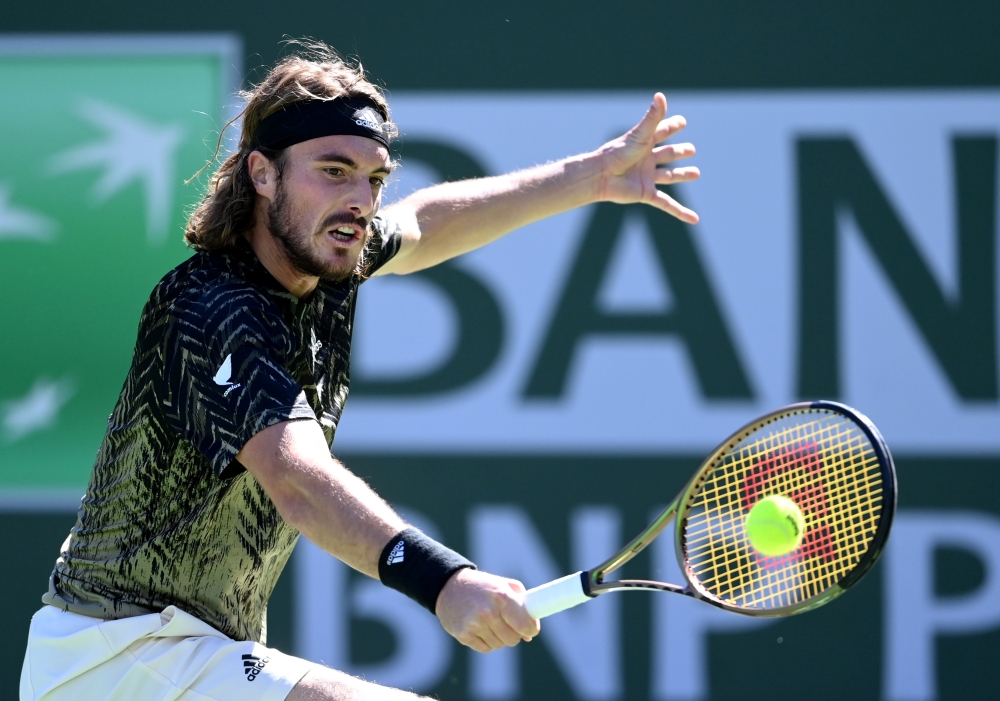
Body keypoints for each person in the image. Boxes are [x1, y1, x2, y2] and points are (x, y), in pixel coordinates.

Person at [19, 43, 699, 701]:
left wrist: (594, 175)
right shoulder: (209, 308)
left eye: (373, 178)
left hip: (202, 652)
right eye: (333, 170)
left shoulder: (328, 253)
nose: (359, 199)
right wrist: (444, 581)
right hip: (116, 657)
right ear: (263, 174)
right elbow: (298, 481)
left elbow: (427, 224)